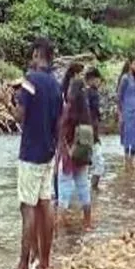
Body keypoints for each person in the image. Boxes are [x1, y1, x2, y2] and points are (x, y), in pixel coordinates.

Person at [13, 38, 63, 269]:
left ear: (36, 54)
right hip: (48, 152)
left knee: (28, 207)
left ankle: (23, 265)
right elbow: (60, 121)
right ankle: (44, 263)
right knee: (46, 203)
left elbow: (20, 115)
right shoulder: (55, 84)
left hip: (30, 152)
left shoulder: (29, 80)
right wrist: (56, 146)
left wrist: (12, 102)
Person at [56, 78, 94, 230]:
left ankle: (60, 225)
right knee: (84, 188)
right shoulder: (86, 113)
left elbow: (61, 134)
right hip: (83, 155)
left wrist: (58, 156)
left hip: (69, 156)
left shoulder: (68, 110)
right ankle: (87, 222)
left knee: (64, 191)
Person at [117, 55, 135, 168]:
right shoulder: (125, 78)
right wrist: (120, 113)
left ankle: (132, 158)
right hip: (126, 110)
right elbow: (119, 96)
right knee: (127, 134)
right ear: (130, 64)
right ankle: (126, 158)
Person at [85, 68, 106, 190]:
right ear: (92, 80)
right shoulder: (93, 93)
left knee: (85, 164)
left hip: (84, 133)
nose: (99, 83)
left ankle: (89, 190)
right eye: (98, 80)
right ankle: (93, 189)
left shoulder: (83, 93)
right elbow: (95, 115)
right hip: (91, 133)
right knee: (99, 164)